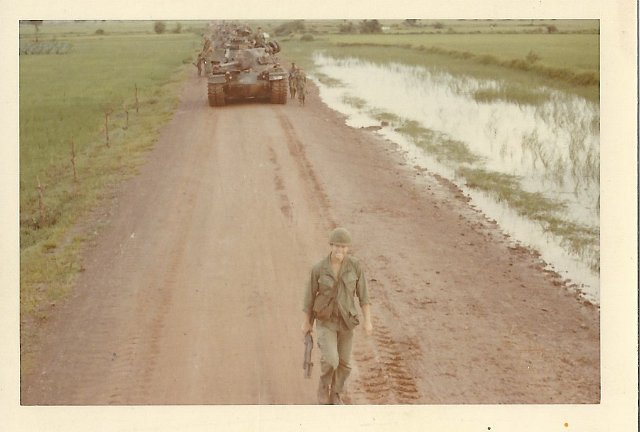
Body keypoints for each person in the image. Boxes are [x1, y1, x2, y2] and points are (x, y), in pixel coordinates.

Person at [302, 227, 373, 405]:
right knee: (331, 359)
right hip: (326, 321)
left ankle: (336, 393)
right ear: (331, 246)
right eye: (336, 246)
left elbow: (364, 296)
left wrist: (368, 321)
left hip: (347, 322)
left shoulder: (355, 267)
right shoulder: (318, 268)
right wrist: (306, 323)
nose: (339, 250)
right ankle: (323, 387)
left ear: (347, 248)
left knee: (344, 363)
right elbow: (309, 298)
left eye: (343, 247)